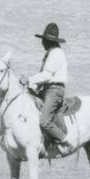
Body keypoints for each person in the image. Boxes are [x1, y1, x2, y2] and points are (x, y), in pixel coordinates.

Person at [32, 23, 71, 152]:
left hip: (54, 90)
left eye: (43, 40)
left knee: (44, 121)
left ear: (48, 41)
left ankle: (64, 140)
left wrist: (30, 80)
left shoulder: (56, 54)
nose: (42, 42)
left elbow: (47, 75)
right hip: (48, 89)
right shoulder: (50, 53)